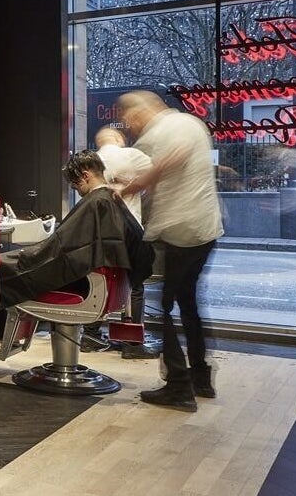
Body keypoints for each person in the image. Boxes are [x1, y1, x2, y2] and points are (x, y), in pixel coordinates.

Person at [117, 90, 223, 412]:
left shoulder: (158, 132)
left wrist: (131, 187)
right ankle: (200, 378)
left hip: (180, 230)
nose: (129, 126)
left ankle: (178, 386)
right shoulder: (191, 122)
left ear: (137, 114)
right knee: (188, 303)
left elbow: (170, 159)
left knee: (162, 307)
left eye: (127, 120)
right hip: (206, 229)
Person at [0, 150, 152, 314]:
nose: (77, 191)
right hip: (111, 288)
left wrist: (5, 261)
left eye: (75, 185)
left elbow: (58, 250)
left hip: (86, 288)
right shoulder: (112, 199)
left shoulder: (96, 202)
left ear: (85, 176)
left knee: (1, 275)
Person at [83, 127, 157, 358]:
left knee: (100, 279)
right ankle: (131, 344)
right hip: (129, 229)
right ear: (118, 139)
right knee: (134, 284)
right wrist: (134, 187)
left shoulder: (93, 161)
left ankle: (91, 335)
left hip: (100, 232)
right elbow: (157, 175)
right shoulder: (132, 155)